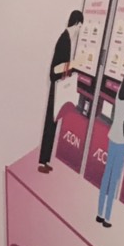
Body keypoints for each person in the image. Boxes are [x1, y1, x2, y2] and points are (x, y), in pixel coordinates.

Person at [40, 9, 82, 174]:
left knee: (53, 123)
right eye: (80, 26)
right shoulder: (64, 40)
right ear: (77, 23)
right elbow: (55, 69)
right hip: (56, 87)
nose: (79, 30)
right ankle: (43, 161)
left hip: (58, 86)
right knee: (50, 124)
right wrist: (74, 64)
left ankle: (45, 161)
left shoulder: (66, 39)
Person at [97, 58, 124, 227]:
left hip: (113, 134)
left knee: (107, 174)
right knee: (115, 178)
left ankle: (99, 213)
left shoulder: (121, 88)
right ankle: (107, 218)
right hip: (123, 138)